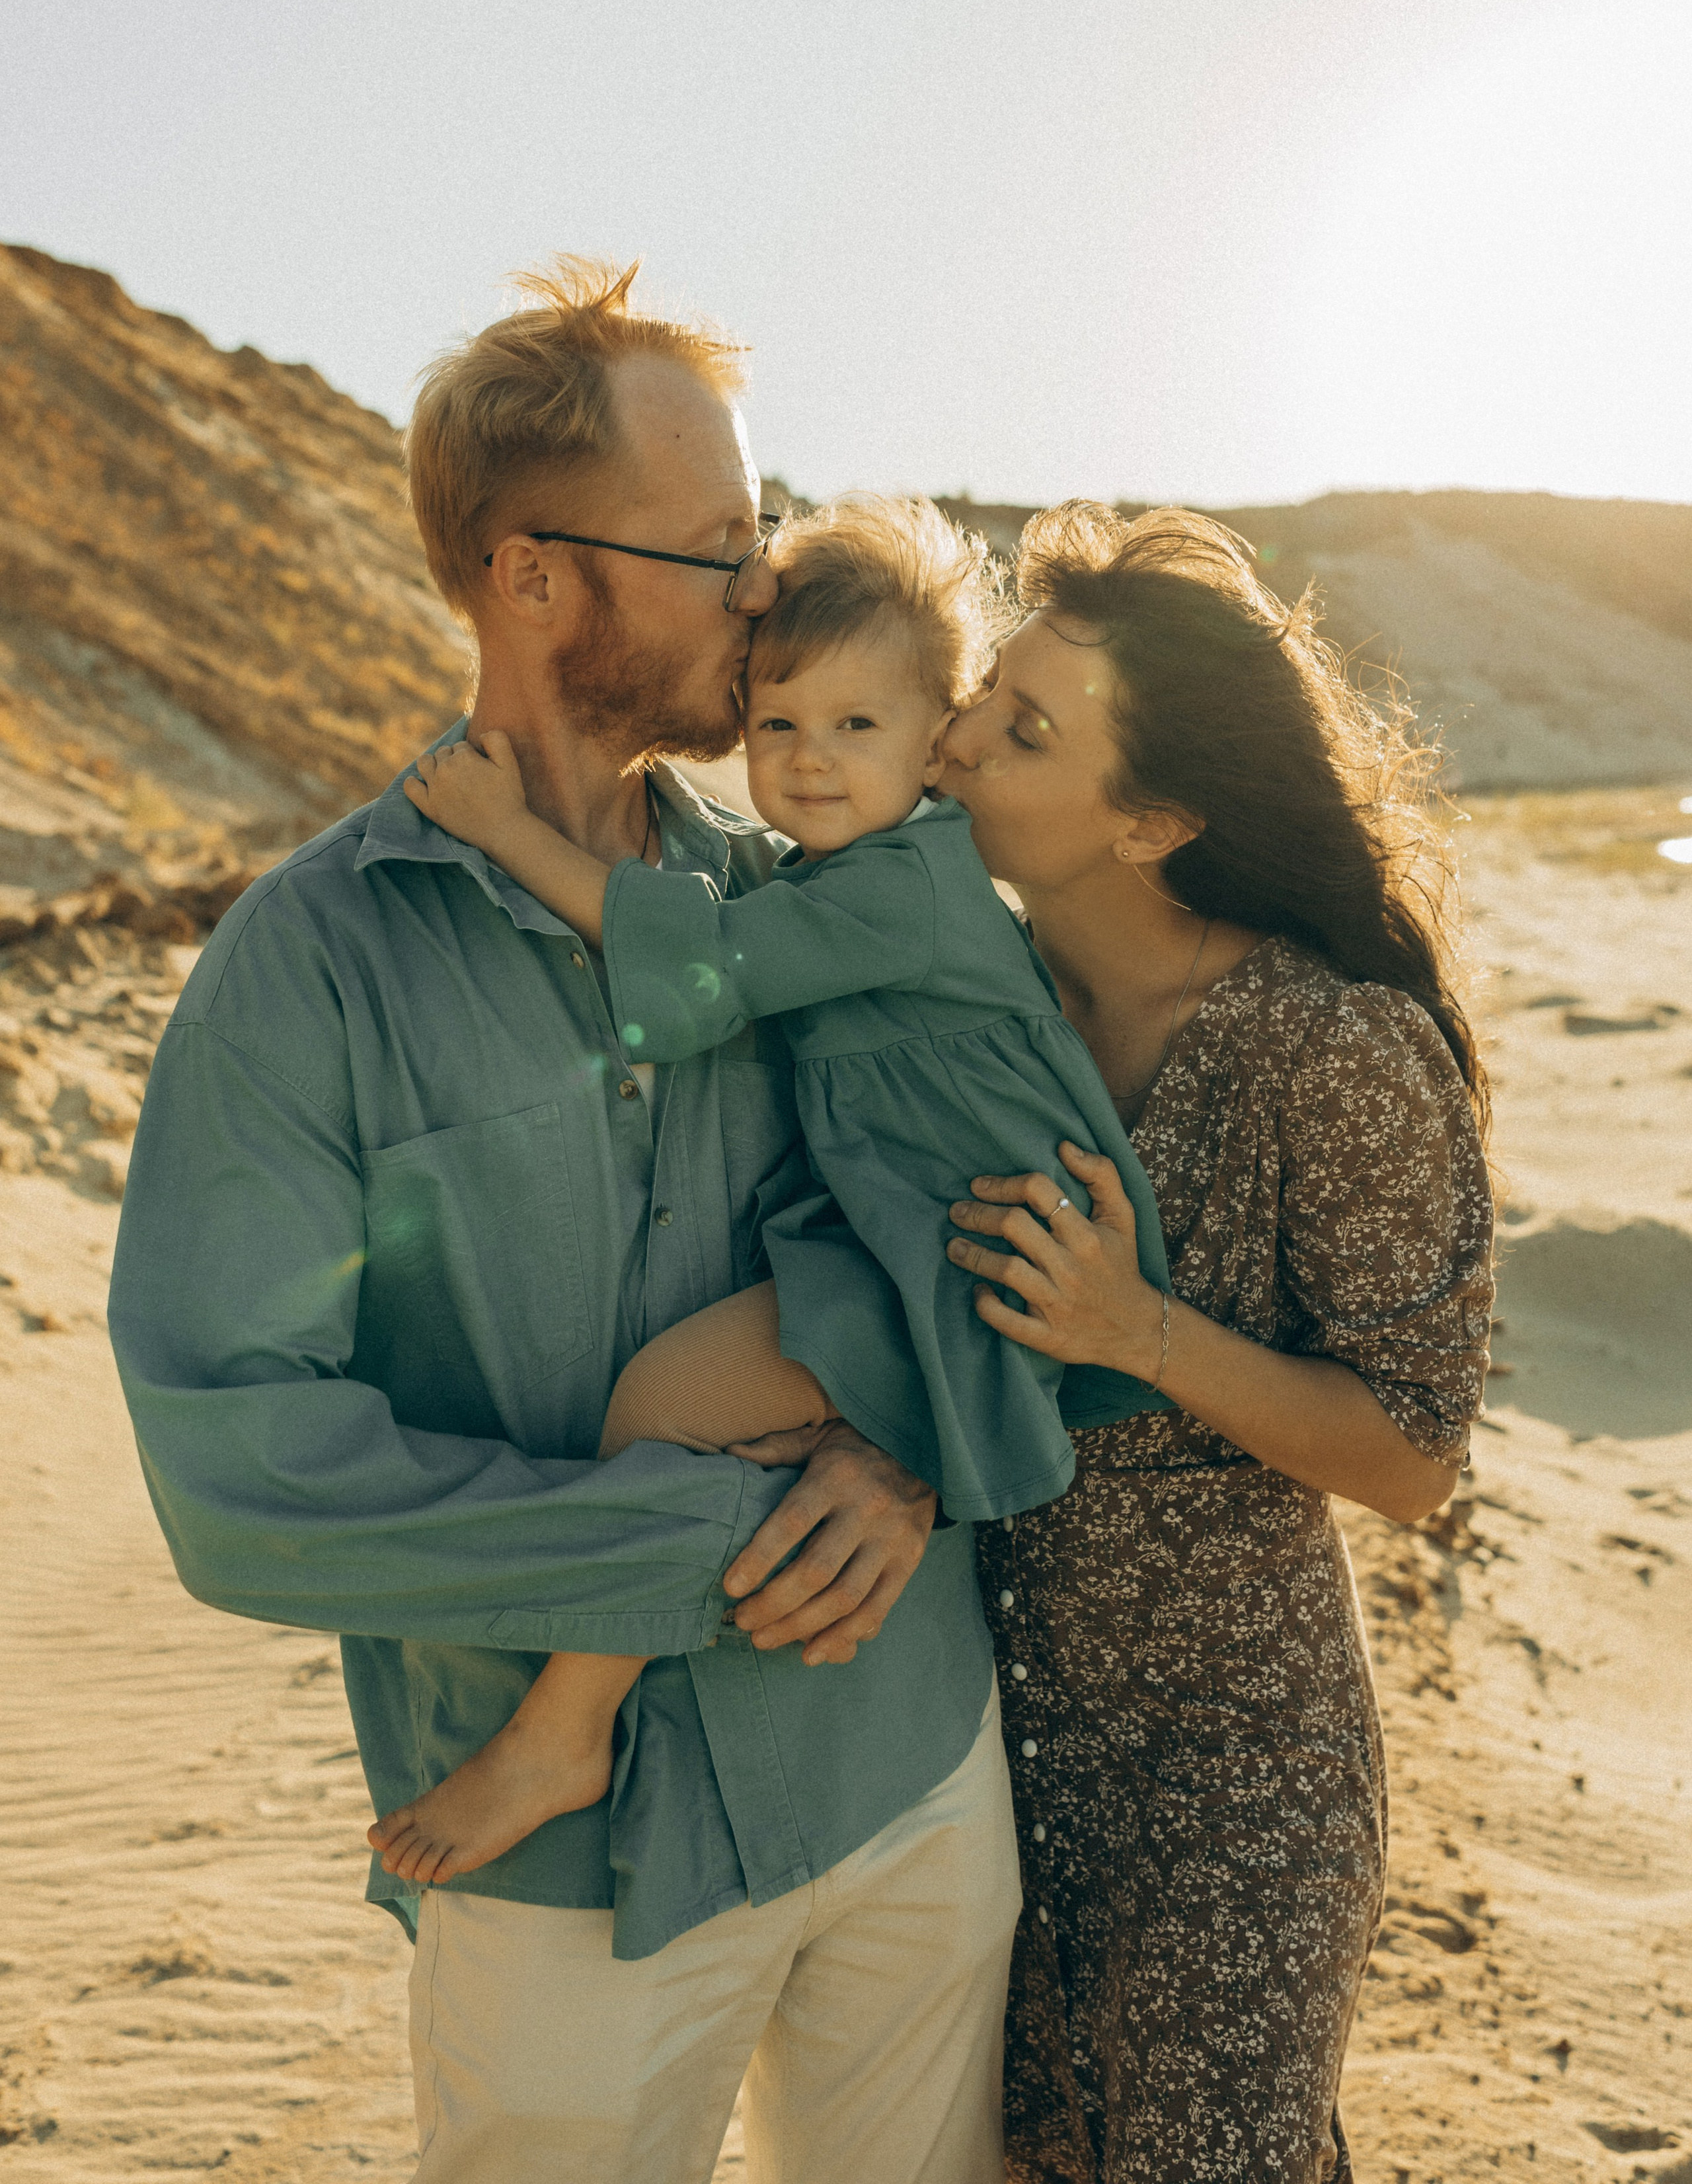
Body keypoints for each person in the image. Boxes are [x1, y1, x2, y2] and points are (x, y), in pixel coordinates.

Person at [106, 260, 1019, 2184]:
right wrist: (706, 1543)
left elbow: (970, 1199)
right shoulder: (306, 971)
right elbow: (243, 1465)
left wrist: (901, 1453)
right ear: (535, 580)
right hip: (559, 1867)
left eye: (762, 530)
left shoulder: (805, 897)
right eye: (715, 547)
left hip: (908, 1757)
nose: (766, 588)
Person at [369, 496, 1175, 1887]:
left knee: (660, 1406)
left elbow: (698, 976)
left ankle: (567, 1725)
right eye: (778, 724)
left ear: (939, 733)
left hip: (969, 1265)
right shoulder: (860, 867)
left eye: (857, 727)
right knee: (700, 1418)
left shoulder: (905, 889)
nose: (808, 762)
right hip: (922, 1235)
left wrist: (506, 831)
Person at [937, 503, 1494, 2184]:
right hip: (985, 1763)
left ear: (1155, 818)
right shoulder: (974, 1010)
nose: (957, 735)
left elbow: (1411, 1458)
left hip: (1234, 1781)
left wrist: (1138, 1329)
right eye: (981, 693)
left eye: (1022, 730)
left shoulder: (1331, 1050)